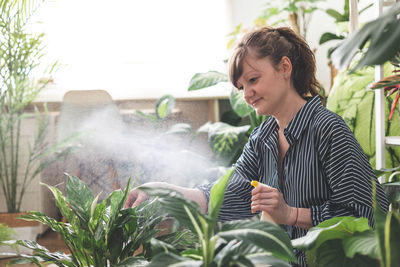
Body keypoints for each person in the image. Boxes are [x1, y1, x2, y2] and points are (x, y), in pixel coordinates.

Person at [125, 26, 390, 266]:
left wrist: (291, 214)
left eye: (253, 80)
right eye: (241, 86)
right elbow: (230, 194)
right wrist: (163, 191)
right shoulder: (263, 137)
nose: (246, 94)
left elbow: (366, 212)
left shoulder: (328, 129)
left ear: (284, 68)